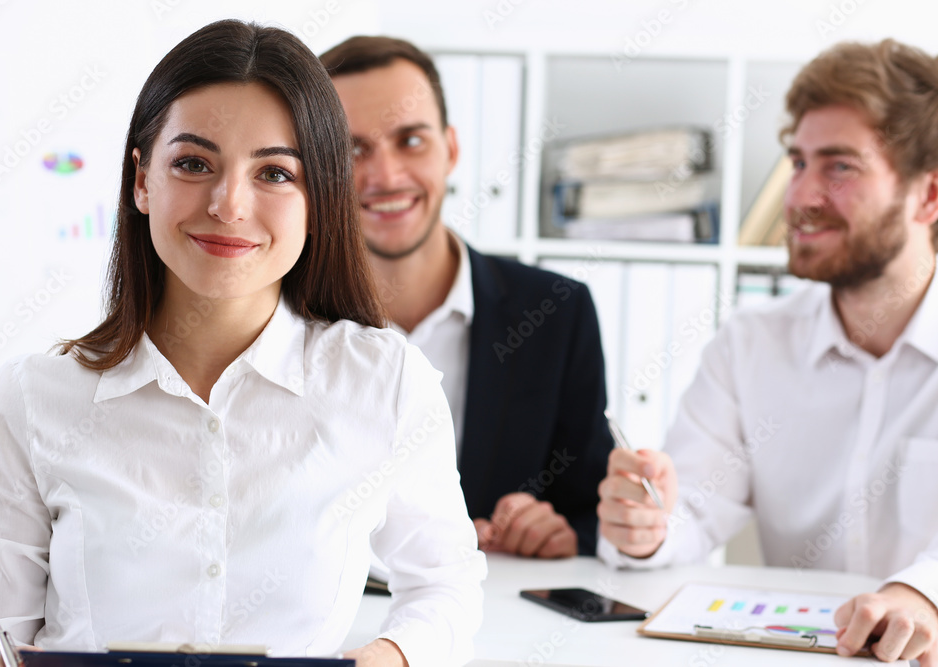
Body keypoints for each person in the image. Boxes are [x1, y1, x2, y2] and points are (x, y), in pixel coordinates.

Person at [0, 20, 485, 667]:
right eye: (194, 163)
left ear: (320, 197)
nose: (229, 205)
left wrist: (386, 657)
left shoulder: (385, 380)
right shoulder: (34, 396)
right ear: (143, 180)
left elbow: (447, 584)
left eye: (276, 173)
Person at [596, 39, 938, 664]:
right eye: (798, 162)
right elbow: (691, 514)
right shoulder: (750, 346)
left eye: (840, 167)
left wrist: (922, 595)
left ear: (929, 195)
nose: (800, 197)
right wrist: (647, 529)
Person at [319, 36, 613, 559]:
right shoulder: (280, 317)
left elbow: (592, 514)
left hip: (495, 624)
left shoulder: (556, 314)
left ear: (450, 149)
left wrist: (562, 531)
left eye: (410, 141)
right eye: (351, 148)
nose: (385, 176)